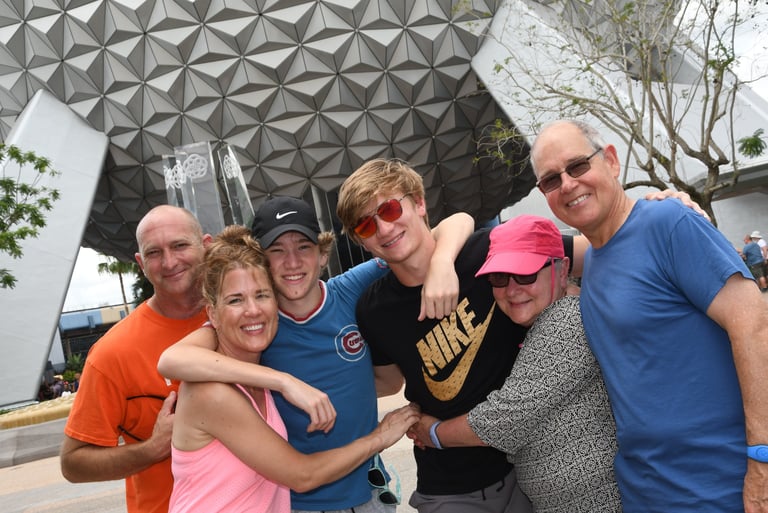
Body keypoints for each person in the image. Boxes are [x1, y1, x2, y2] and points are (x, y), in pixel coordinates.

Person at [158, 196, 473, 513]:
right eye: (277, 251)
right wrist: (285, 382)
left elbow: (456, 222)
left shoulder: (349, 290)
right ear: (261, 262)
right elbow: (172, 360)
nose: (292, 262)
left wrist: (443, 262)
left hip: (369, 493)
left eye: (303, 247)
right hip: (299, 503)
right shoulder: (255, 324)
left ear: (323, 254)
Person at [529, 119, 768, 513]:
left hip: (719, 487)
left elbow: (755, 327)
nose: (567, 184)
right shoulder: (594, 255)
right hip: (646, 490)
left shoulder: (668, 223)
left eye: (577, 166)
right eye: (551, 180)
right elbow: (494, 243)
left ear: (610, 161)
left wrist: (761, 459)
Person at [334, 159, 586, 513]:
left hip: (530, 467)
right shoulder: (373, 310)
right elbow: (388, 383)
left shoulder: (489, 251)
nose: (383, 229)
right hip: (450, 485)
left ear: (419, 203)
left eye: (389, 209)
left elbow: (597, 251)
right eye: (365, 225)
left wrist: (659, 212)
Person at [60, 205, 331, 513]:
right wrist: (150, 450)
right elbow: (72, 463)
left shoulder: (250, 319)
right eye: (154, 253)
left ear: (206, 245)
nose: (170, 261)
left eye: (179, 245)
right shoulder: (113, 353)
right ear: (140, 263)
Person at [408, 215, 621, 513]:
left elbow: (503, 420)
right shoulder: (537, 323)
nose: (512, 289)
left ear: (562, 270)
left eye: (526, 275)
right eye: (499, 278)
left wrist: (432, 433)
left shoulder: (563, 322)